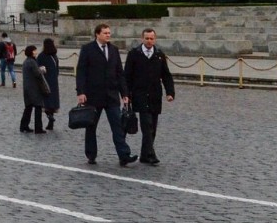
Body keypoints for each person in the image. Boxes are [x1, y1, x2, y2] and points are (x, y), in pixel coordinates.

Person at [75, 23, 135, 166]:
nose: (108, 35)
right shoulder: (88, 49)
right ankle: (91, 154)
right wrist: (81, 91)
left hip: (111, 95)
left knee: (118, 126)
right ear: (97, 34)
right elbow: (81, 71)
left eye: (109, 33)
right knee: (91, 126)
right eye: (105, 33)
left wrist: (124, 93)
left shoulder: (113, 49)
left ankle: (124, 155)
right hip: (93, 95)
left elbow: (119, 73)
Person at [123, 28, 175, 165]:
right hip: (139, 94)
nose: (149, 41)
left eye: (152, 38)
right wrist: (126, 94)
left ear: (155, 39)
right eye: (147, 38)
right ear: (142, 39)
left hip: (155, 95)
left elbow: (166, 75)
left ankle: (145, 154)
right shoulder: (134, 54)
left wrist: (170, 92)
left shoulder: (159, 55)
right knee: (147, 125)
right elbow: (127, 76)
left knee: (153, 127)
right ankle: (151, 154)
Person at [20, 44, 50, 133]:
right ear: (31, 52)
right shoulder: (32, 62)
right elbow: (37, 73)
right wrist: (43, 70)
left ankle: (24, 126)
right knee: (38, 107)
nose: (36, 52)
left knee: (28, 108)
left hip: (27, 88)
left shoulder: (26, 61)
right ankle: (38, 128)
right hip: (34, 88)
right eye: (34, 50)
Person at [38, 38, 62, 130]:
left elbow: (38, 68)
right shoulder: (54, 56)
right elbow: (57, 70)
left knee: (44, 101)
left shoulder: (42, 56)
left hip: (45, 80)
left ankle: (49, 117)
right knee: (52, 102)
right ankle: (50, 121)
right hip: (54, 81)